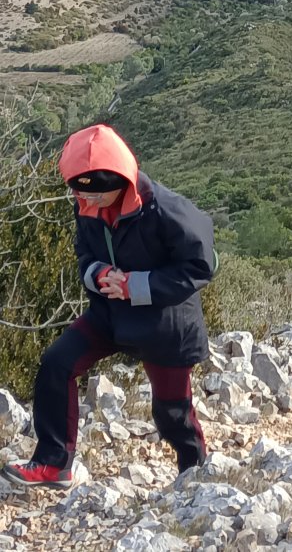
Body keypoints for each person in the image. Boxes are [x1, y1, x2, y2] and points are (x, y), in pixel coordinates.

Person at [2, 123, 215, 489]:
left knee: (171, 413)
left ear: (122, 181)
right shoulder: (87, 203)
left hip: (165, 323)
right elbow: (84, 253)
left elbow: (201, 265)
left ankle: (194, 478)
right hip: (110, 314)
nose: (86, 201)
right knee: (57, 363)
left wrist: (136, 285)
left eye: (95, 194)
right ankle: (53, 465)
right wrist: (98, 275)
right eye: (78, 192)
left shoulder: (168, 210)